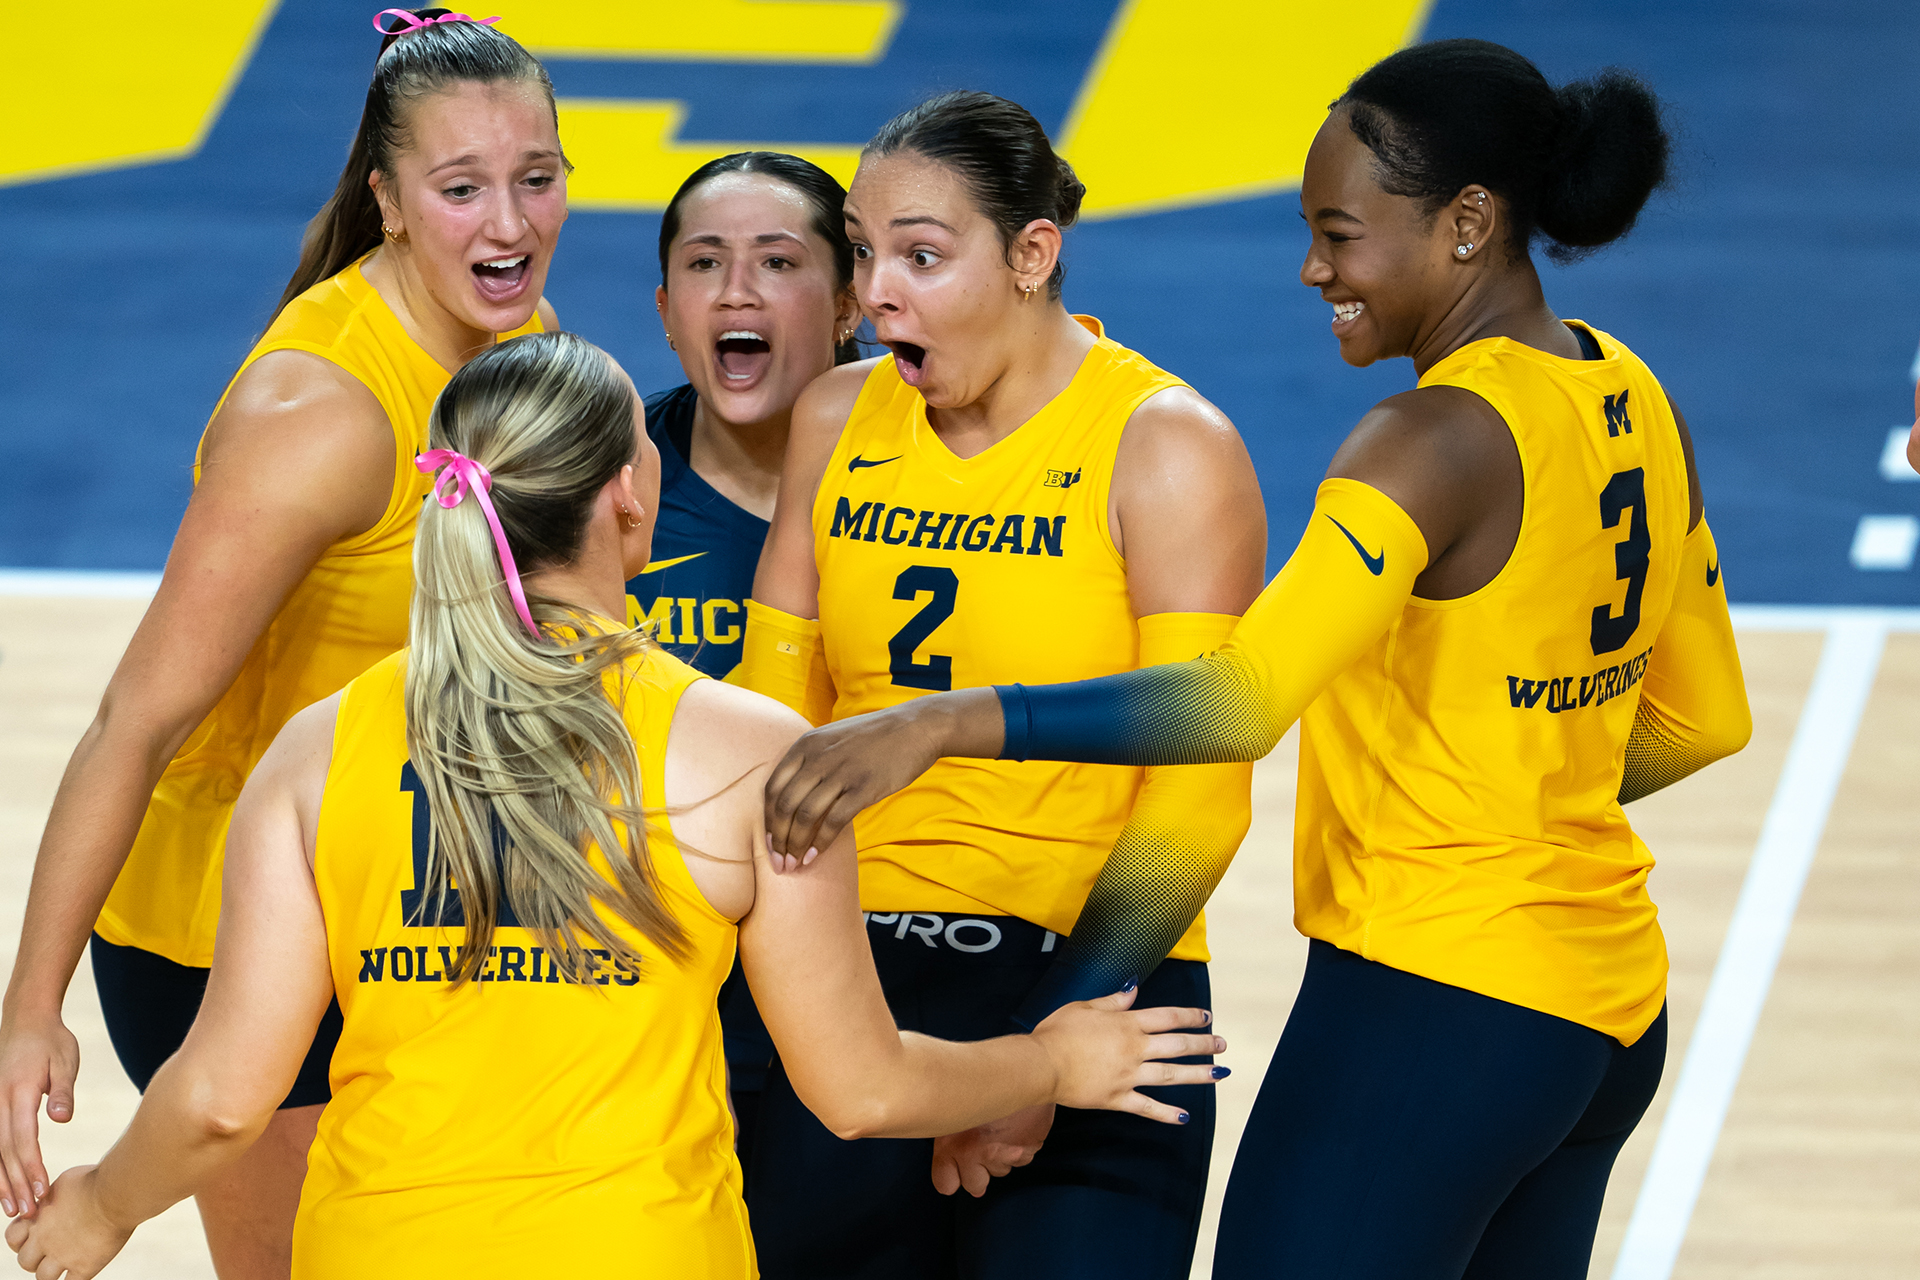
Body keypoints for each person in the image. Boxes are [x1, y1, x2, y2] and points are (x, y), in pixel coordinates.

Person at [762, 41, 1756, 1280]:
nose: (1313, 267)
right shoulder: (1629, 389)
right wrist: (1527, 784)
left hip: (1438, 994)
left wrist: (948, 720)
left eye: (1340, 231)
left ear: (1466, 224)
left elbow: (1237, 700)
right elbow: (1706, 719)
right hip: (1603, 1005)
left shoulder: (1425, 438)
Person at [1, 331, 1223, 1280]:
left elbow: (221, 1094)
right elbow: (861, 1089)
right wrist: (1048, 1062)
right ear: (632, 496)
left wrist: (102, 1205)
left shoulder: (316, 753)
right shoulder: (750, 752)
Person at [0, 11, 562, 1274]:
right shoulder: (320, 419)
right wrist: (29, 1008)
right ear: (391, 199)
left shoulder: (511, 333)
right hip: (228, 931)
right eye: (462, 187)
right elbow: (131, 722)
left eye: (537, 178)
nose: (512, 223)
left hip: (392, 895)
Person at [736, 91, 1265, 1278]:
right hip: (849, 965)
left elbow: (1201, 789)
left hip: (1094, 972)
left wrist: (1043, 1053)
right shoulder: (835, 416)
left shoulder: (1165, 445)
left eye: (922, 256)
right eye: (866, 253)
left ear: (1034, 254)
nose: (876, 293)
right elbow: (772, 725)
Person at [637, 152, 862, 1155]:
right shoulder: (592, 488)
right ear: (665, 305)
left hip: (869, 960)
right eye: (704, 263)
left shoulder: (940, 485)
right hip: (651, 982)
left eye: (778, 262)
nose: (736, 290)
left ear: (851, 299)